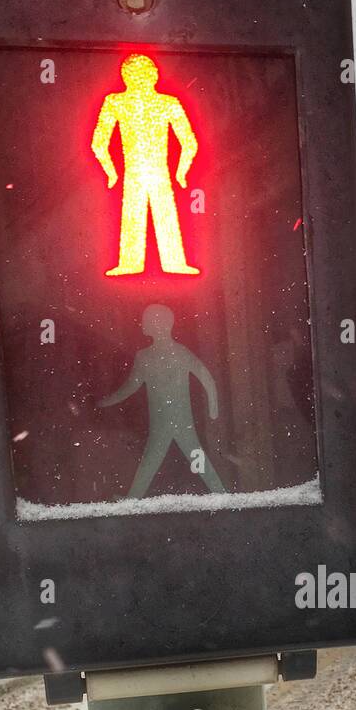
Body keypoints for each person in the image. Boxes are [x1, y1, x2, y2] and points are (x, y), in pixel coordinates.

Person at [100, 305, 225, 497]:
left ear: (157, 325)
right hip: (176, 422)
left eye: (146, 320)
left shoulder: (151, 356)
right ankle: (223, 496)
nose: (142, 324)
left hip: (171, 422)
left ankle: (132, 501)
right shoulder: (166, 354)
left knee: (158, 460)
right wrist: (213, 408)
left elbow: (130, 388)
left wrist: (106, 402)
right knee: (173, 459)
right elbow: (206, 378)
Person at [91, 54, 199, 276]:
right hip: (159, 171)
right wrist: (181, 172)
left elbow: (98, 144)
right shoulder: (167, 103)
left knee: (134, 214)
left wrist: (112, 172)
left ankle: (132, 263)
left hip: (135, 172)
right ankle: (173, 262)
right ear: (154, 75)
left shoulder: (116, 102)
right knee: (164, 213)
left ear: (125, 76)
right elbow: (189, 143)